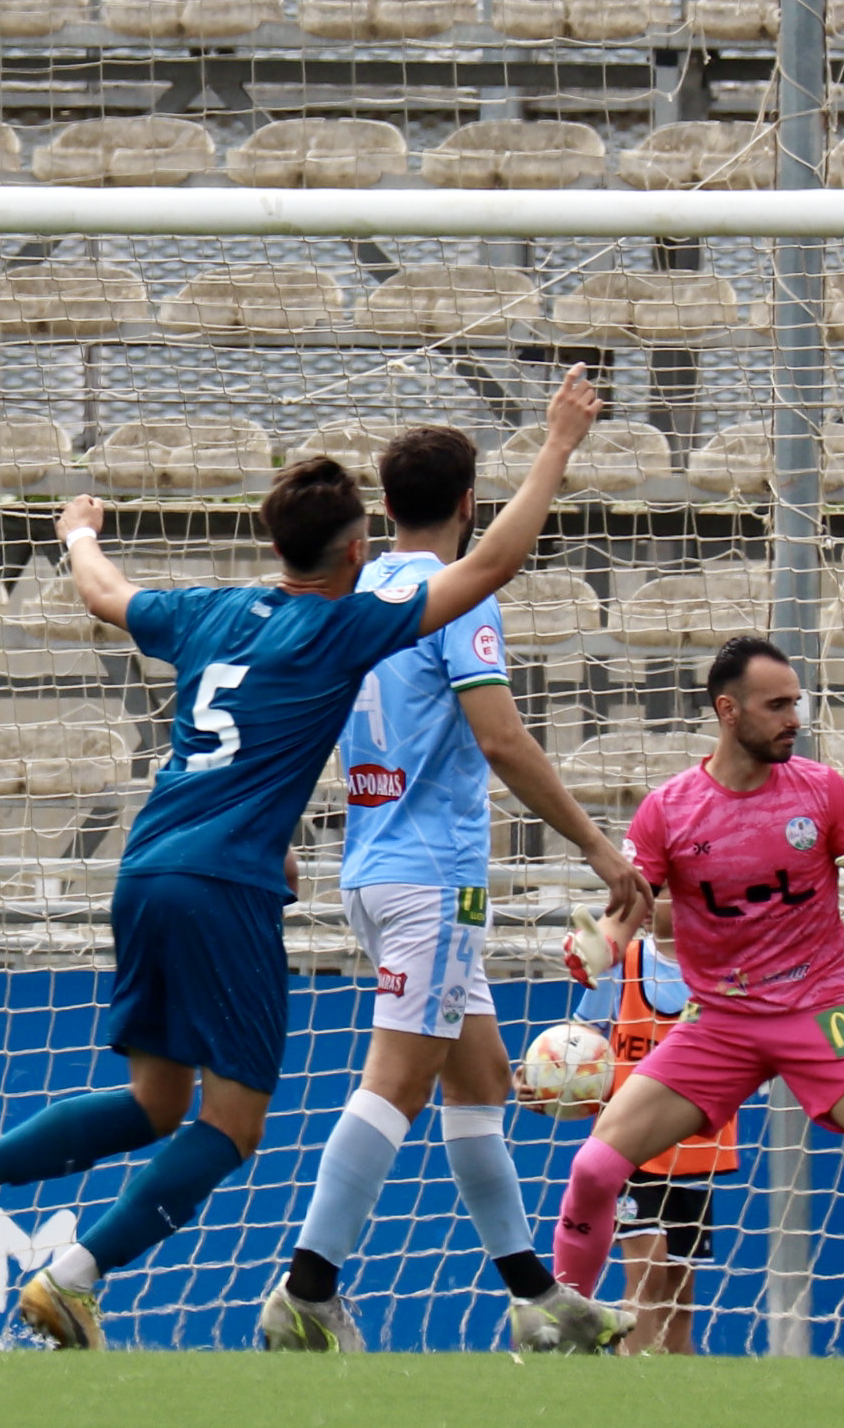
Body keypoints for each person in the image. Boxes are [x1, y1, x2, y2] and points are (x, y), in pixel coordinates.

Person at [0, 365, 605, 1351]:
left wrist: (79, 531)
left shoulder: (206, 611)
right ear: (356, 548)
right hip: (237, 884)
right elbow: (491, 570)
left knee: (158, 1101)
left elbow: (104, 594)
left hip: (148, 868)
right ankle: (93, 1278)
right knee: (230, 1125)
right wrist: (560, 445)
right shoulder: (343, 623)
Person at [542, 636, 844, 1361]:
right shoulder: (669, 811)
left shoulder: (822, 790)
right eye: (777, 705)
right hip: (721, 1022)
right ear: (727, 710)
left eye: (795, 703)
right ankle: (566, 1329)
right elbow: (627, 908)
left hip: (821, 1009)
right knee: (594, 1167)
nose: (793, 718)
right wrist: (597, 946)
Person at [262, 424, 638, 1351]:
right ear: (469, 503)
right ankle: (304, 1296)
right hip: (434, 880)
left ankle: (540, 1301)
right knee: (395, 1087)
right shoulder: (453, 598)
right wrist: (597, 847)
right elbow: (502, 739)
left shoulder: (348, 593)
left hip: (373, 869)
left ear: (382, 509)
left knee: (480, 1083)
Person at [558, 912, 732, 1355]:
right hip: (630, 1141)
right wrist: (548, 1074)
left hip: (693, 1144)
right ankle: (631, 1376)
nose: (661, 900)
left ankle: (679, 1387)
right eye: (654, 889)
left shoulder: (721, 967)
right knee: (648, 1264)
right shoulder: (624, 963)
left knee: (679, 1286)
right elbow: (583, 1036)